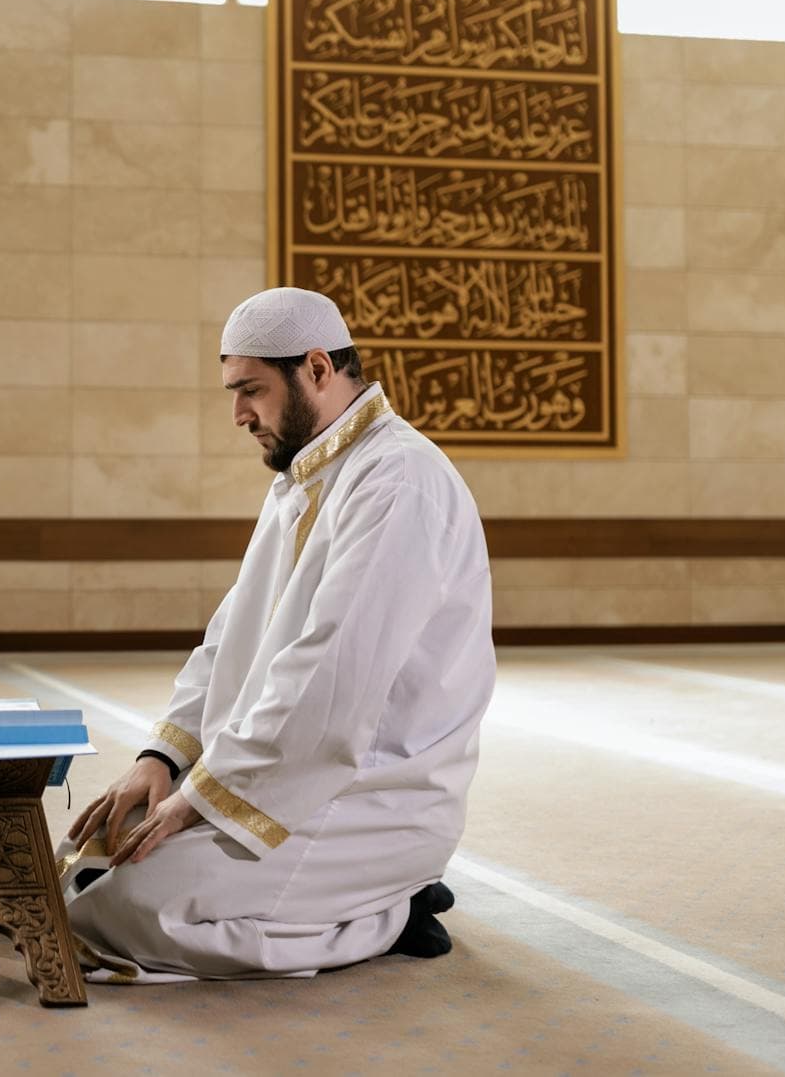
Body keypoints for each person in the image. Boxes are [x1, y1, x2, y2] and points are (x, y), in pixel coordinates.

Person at [58, 286, 495, 982]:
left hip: (369, 789)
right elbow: (235, 632)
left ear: (317, 369)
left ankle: (387, 905)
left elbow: (327, 678)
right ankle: (361, 896)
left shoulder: (398, 483)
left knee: (137, 906)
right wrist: (161, 757)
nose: (237, 414)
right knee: (89, 862)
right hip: (281, 767)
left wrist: (199, 798)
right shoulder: (304, 474)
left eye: (251, 391)